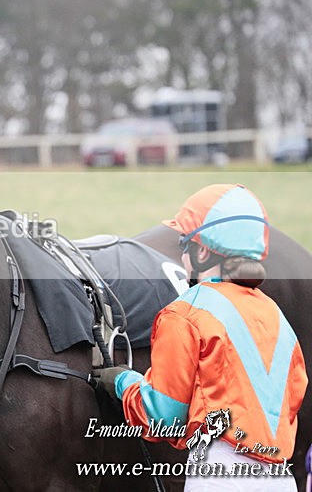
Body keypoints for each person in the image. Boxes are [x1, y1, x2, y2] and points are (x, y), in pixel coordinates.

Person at [93, 184, 307, 490]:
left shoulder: (184, 313)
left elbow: (164, 417)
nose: (183, 256)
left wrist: (122, 382)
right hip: (279, 479)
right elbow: (292, 397)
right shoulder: (275, 313)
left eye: (185, 244)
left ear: (203, 251)